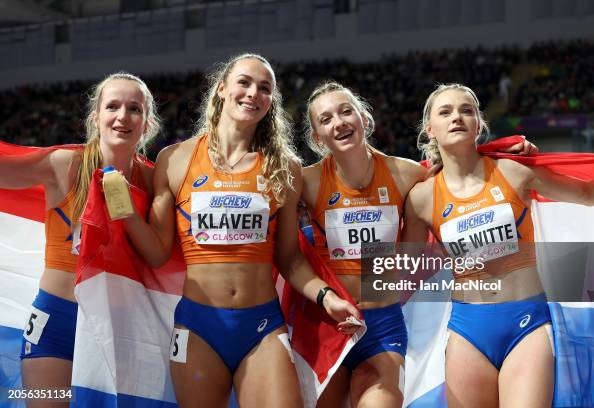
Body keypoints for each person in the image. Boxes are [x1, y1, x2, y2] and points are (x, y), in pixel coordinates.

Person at [120, 54, 359, 407]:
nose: (253, 93)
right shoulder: (176, 159)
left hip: (262, 325)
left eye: (265, 88)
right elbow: (156, 252)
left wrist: (328, 298)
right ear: (221, 89)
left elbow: (290, 260)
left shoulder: (284, 168)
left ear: (271, 102)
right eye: (244, 83)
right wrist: (122, 211)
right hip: (197, 327)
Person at [403, 83, 594, 407]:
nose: (457, 117)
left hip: (526, 324)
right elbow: (406, 271)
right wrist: (349, 294)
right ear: (430, 129)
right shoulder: (421, 197)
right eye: (445, 112)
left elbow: (588, 195)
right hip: (468, 331)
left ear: (478, 124)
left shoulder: (514, 172)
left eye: (466, 110)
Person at [0, 72, 160, 407]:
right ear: (96, 116)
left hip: (119, 331)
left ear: (147, 122)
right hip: (56, 322)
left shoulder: (155, 181)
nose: (122, 116)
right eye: (112, 106)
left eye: (134, 109)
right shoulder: (66, 165)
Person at [301, 81, 426, 407]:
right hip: (327, 327)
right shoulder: (307, 182)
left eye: (346, 111)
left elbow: (460, 174)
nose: (339, 122)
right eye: (326, 119)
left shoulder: (407, 175)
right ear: (318, 138)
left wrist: (501, 154)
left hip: (383, 326)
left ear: (363, 119)